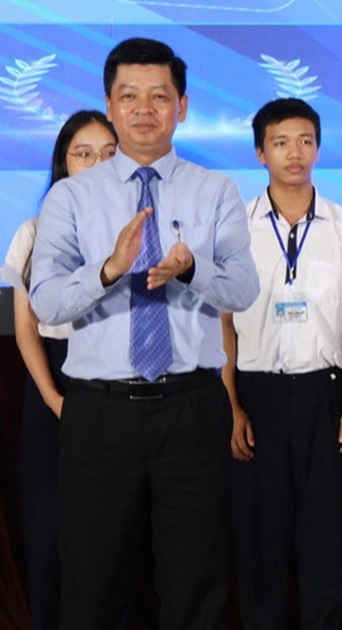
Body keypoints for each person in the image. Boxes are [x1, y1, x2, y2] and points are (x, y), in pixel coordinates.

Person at [28, 37, 259, 629]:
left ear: (182, 106)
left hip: (191, 406)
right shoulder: (71, 196)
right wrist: (107, 270)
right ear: (110, 105)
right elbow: (46, 298)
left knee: (196, 583)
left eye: (160, 96)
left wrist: (192, 269)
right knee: (93, 583)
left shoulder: (217, 191)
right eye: (129, 95)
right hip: (99, 414)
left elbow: (244, 291)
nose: (144, 108)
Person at [221, 97, 342, 629]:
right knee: (260, 539)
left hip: (327, 394)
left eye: (306, 141)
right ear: (260, 152)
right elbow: (221, 323)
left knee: (326, 538)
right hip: (257, 393)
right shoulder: (234, 229)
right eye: (281, 142)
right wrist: (232, 407)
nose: (296, 153)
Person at [1, 109, 116, 630]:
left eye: (108, 154)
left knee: (111, 545)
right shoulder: (34, 230)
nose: (95, 164)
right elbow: (25, 327)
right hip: (53, 382)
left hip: (118, 390)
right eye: (83, 153)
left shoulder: (138, 232)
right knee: (49, 546)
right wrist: (52, 398)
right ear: (64, 162)